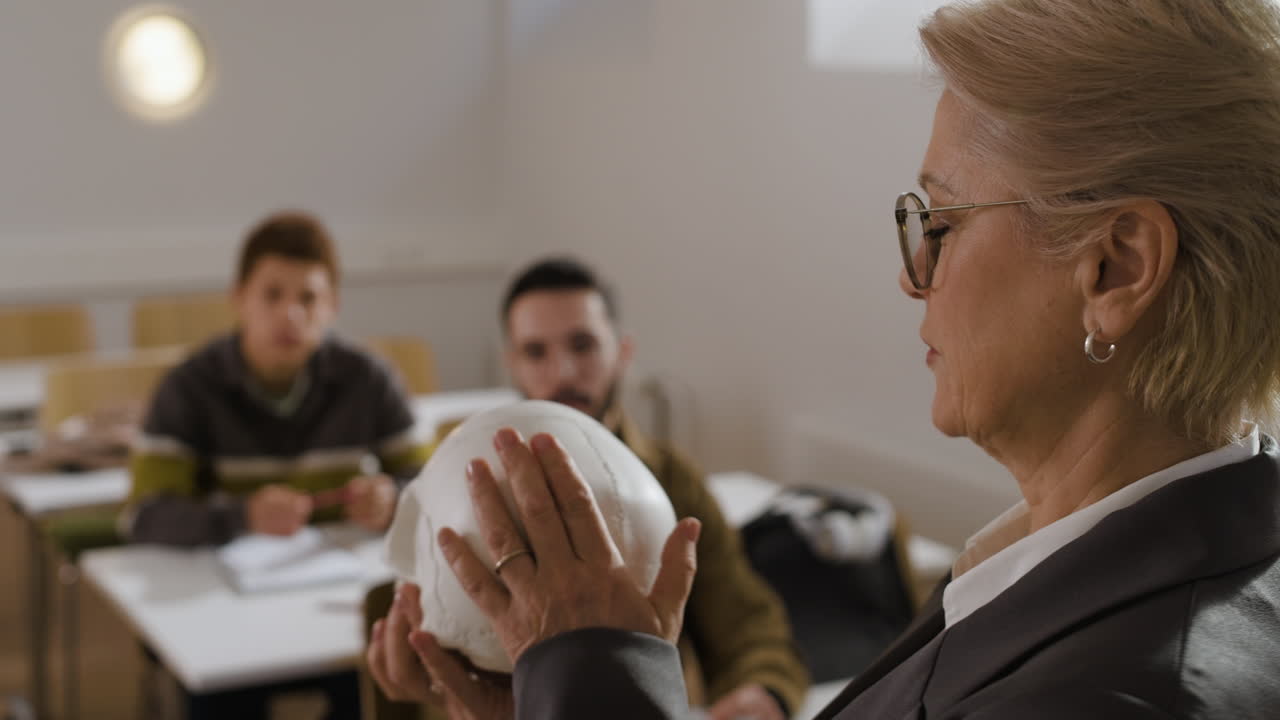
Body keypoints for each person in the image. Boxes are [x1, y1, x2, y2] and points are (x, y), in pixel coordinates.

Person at [399, 1, 1280, 718]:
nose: (912, 277)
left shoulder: (1121, 698)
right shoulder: (1079, 571)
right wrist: (559, 690)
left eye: (939, 223)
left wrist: (593, 679)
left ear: (1114, 267)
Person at [366, 258, 809, 719]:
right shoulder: (461, 491)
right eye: (536, 352)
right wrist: (442, 695)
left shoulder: (671, 478)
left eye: (583, 345)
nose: (563, 371)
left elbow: (747, 624)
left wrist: (763, 691)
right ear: (512, 363)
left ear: (621, 351)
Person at [122, 212, 432, 718]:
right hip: (225, 616)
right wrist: (242, 518)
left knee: (383, 684)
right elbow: (145, 516)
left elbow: (432, 486)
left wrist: (393, 498)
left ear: (332, 306)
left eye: (308, 298)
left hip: (339, 611)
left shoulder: (368, 377)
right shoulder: (189, 387)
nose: (291, 314)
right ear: (238, 298)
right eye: (272, 295)